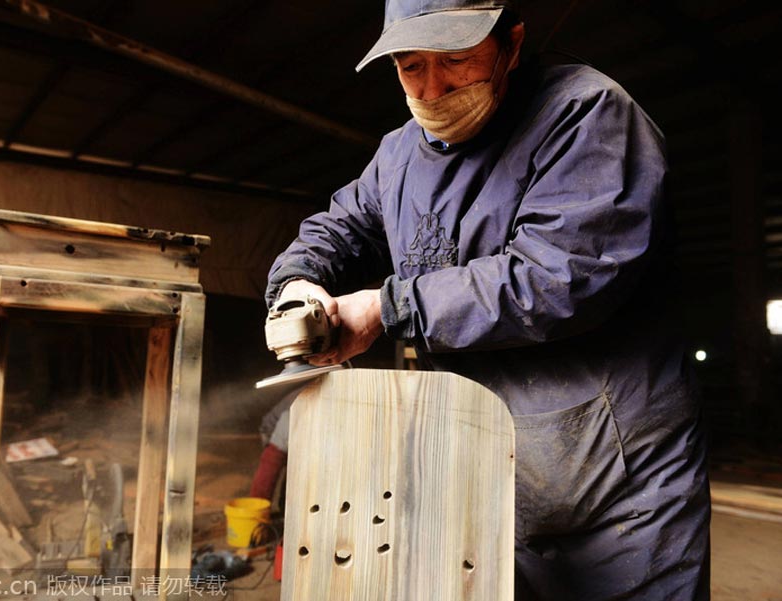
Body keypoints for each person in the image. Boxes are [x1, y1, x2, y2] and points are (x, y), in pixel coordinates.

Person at [264, 0, 710, 598]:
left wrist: (389, 307)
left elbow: (558, 280)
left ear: (513, 44)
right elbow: (339, 227)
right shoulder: (398, 154)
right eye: (410, 66)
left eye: (456, 59)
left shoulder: (587, 116)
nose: (433, 87)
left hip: (617, 485)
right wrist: (297, 282)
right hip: (485, 466)